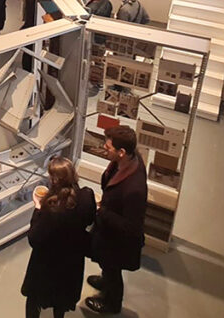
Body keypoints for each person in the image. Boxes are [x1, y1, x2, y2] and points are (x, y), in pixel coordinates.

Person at [21, 157, 96, 318]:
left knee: (34, 299)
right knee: (61, 300)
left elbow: (34, 239)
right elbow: (89, 220)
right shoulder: (86, 196)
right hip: (72, 261)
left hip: (47, 262)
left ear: (54, 179)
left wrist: (38, 208)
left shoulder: (51, 209)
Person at [85, 125, 147, 314]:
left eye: (108, 147)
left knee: (113, 269)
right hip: (109, 233)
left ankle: (112, 304)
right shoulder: (129, 162)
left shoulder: (134, 189)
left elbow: (132, 227)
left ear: (121, 152)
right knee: (108, 266)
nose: (104, 148)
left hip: (117, 242)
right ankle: (105, 281)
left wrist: (102, 211)